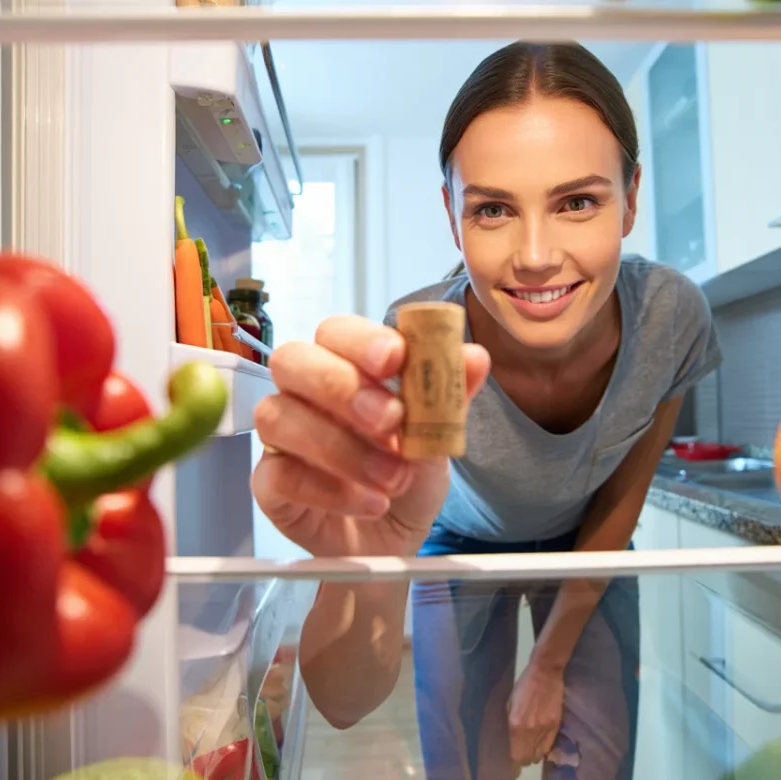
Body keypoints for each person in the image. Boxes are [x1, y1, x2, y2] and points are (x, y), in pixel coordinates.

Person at [251, 40, 722, 780]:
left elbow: (623, 500)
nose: (535, 255)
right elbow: (342, 701)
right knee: (467, 762)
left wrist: (548, 665)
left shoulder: (671, 319)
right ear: (452, 215)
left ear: (631, 198)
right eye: (494, 208)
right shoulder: (422, 337)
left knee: (596, 761)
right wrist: (364, 563)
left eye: (577, 202)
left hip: (586, 543)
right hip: (455, 543)